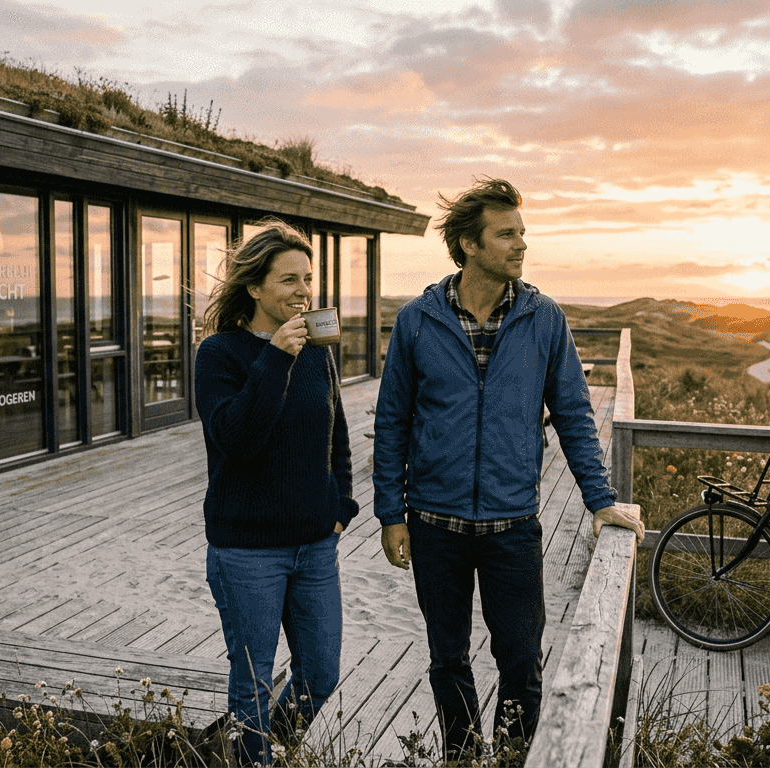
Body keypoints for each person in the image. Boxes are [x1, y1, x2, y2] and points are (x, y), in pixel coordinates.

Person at [372, 178, 644, 760]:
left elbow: (572, 414)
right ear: (469, 245)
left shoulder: (544, 319)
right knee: (448, 658)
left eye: (522, 233)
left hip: (513, 526)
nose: (521, 245)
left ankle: (512, 756)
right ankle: (464, 755)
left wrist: (600, 502)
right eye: (506, 234)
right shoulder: (418, 320)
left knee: (521, 659)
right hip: (433, 522)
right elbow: (392, 420)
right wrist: (390, 513)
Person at [195, 221, 359, 764]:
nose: (304, 292)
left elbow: (335, 434)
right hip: (246, 551)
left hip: (315, 545)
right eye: (289, 280)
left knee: (319, 674)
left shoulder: (317, 349)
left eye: (308, 280)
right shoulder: (220, 354)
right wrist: (276, 358)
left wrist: (342, 507)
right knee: (253, 687)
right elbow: (238, 440)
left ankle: (267, 754)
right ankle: (252, 758)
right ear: (255, 287)